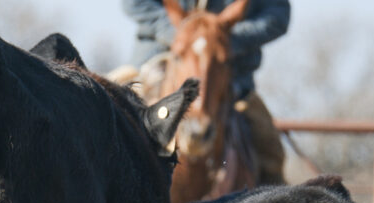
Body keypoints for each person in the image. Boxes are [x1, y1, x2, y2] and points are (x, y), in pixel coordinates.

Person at [122, 0, 290, 185]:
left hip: (231, 71)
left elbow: (278, 14)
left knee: (270, 152)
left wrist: (228, 38)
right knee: (105, 112)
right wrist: (176, 33)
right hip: (155, 58)